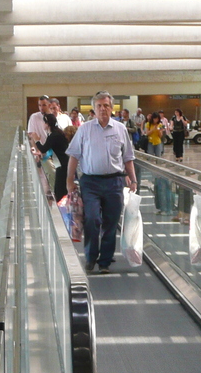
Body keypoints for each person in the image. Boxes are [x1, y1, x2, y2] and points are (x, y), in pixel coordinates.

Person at [66, 91, 137, 275]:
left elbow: (128, 157)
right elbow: (74, 155)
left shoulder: (120, 129)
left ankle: (105, 261)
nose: (103, 109)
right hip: (90, 182)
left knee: (111, 222)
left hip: (114, 181)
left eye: (106, 105)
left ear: (111, 108)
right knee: (92, 218)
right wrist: (69, 180)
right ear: (94, 109)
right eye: (99, 106)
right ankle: (90, 257)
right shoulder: (84, 129)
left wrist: (133, 179)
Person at [31, 113, 70, 201]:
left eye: (44, 122)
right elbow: (50, 149)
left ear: (47, 124)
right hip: (63, 163)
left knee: (60, 189)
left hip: (62, 165)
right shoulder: (56, 133)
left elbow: (43, 148)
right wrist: (39, 153)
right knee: (60, 188)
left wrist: (36, 139)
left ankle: (63, 209)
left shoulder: (54, 135)